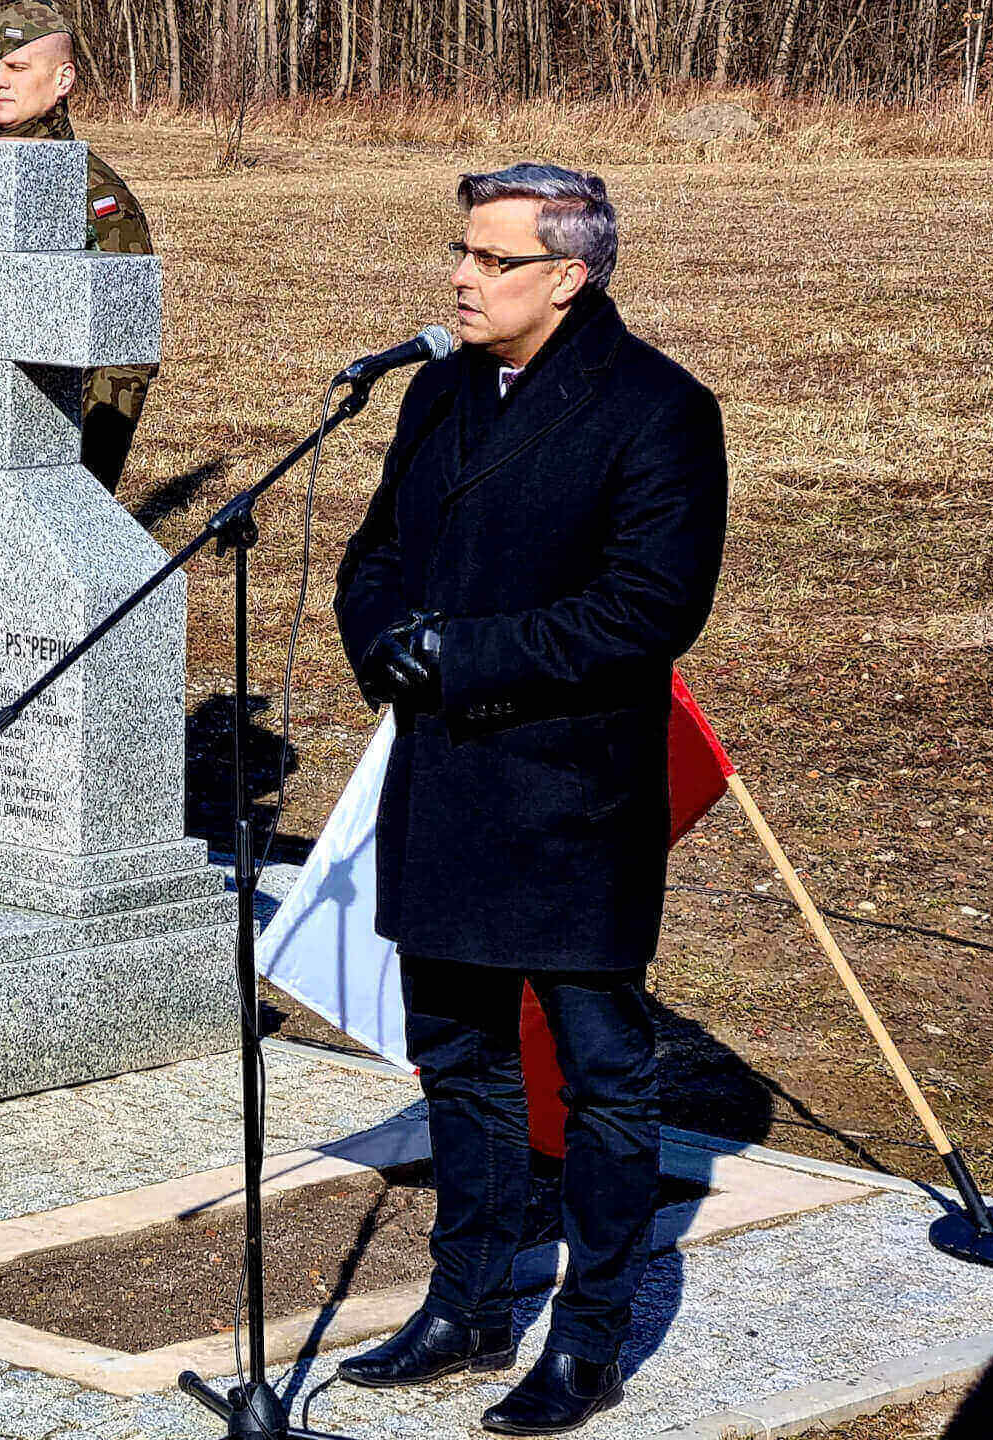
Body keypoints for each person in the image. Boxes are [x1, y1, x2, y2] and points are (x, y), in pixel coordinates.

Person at [332, 163, 728, 1435]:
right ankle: (469, 1302)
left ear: (568, 274)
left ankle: (591, 1340)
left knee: (604, 1076)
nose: (458, 275)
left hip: (567, 793)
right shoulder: (440, 388)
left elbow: (646, 609)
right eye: (460, 250)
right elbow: (377, 551)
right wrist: (386, 637)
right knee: (458, 1053)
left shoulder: (659, 409)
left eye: (489, 259)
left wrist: (464, 659)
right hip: (443, 777)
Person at [0, 0, 156, 494]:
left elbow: (126, 341)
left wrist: (86, 477)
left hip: (51, 443)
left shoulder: (95, 195)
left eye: (17, 67)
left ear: (62, 80)